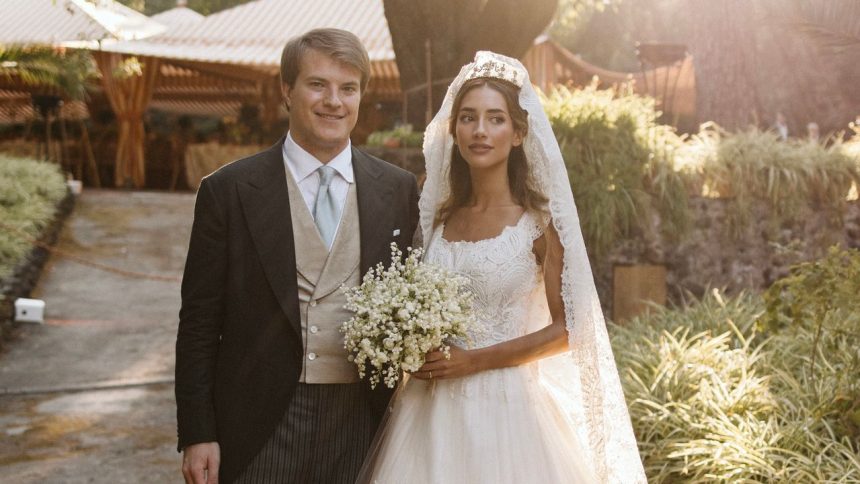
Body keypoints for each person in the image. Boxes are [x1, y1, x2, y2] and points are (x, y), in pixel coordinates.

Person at [359, 52, 646, 483]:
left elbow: (570, 329)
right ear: (453, 131)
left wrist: (474, 361)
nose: (480, 130)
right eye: (468, 118)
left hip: (510, 414)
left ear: (517, 133)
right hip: (428, 411)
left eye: (495, 119)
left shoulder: (540, 224)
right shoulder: (436, 219)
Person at [176, 28, 419, 483]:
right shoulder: (227, 191)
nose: (334, 101)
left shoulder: (399, 189)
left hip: (362, 420)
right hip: (259, 421)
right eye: (317, 85)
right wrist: (197, 431)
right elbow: (199, 324)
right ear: (286, 90)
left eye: (348, 89)